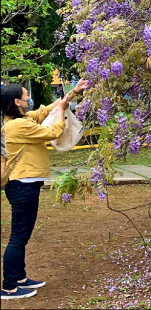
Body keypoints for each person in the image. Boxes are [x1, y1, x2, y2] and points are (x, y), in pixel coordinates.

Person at [1, 79, 87, 300]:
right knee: (18, 237)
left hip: (25, 184)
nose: (28, 95)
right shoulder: (17, 125)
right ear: (17, 102)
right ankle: (9, 287)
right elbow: (53, 131)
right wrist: (61, 112)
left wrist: (72, 94)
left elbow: (45, 110)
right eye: (24, 94)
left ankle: (19, 277)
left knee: (22, 235)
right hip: (22, 185)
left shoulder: (19, 118)